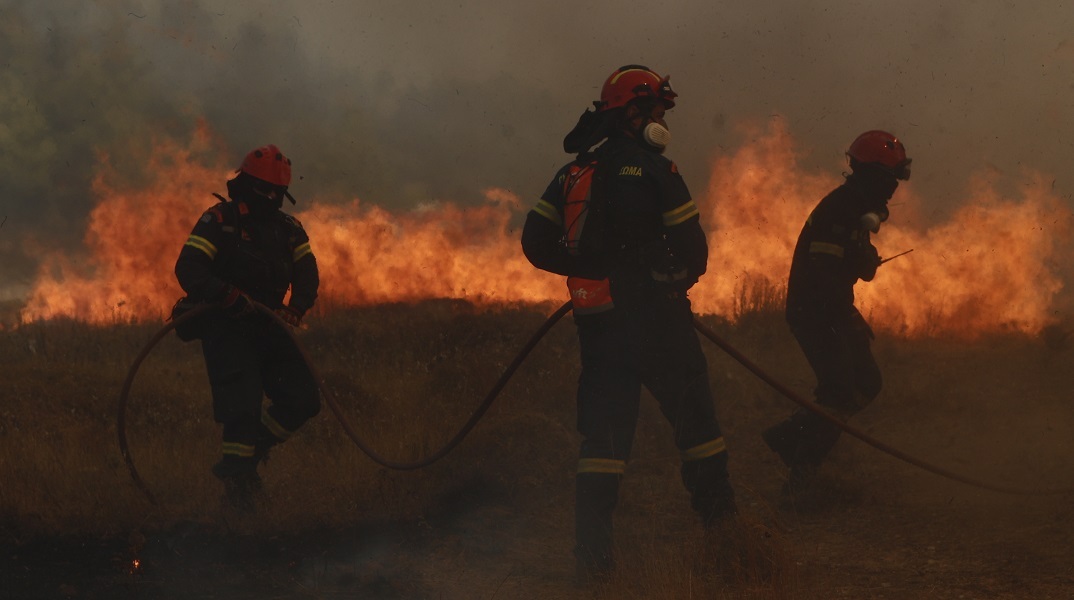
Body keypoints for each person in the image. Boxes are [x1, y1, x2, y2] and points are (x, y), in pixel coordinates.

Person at [521, 65, 736, 582]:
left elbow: (534, 242)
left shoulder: (574, 173)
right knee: (698, 428)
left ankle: (592, 565)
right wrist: (665, 276)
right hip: (659, 325)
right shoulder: (658, 170)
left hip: (599, 326)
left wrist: (590, 267)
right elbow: (694, 252)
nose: (663, 119)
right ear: (635, 112)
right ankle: (727, 541)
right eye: (658, 109)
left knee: (604, 443)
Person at [762, 130, 911, 494]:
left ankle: (790, 437)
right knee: (840, 390)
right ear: (873, 175)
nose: (894, 188)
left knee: (866, 383)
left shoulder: (857, 208)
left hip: (832, 310)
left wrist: (863, 262)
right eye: (890, 178)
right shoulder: (841, 211)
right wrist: (848, 319)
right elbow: (825, 276)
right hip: (815, 313)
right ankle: (801, 464)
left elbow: (849, 265)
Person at [173, 144, 320, 512]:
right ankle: (238, 489)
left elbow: (307, 274)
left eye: (276, 193)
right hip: (228, 327)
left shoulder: (289, 230)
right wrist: (224, 295)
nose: (270, 198)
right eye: (264, 190)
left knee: (303, 398)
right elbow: (189, 268)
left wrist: (297, 308)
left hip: (270, 327)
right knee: (241, 408)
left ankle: (253, 452)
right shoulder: (220, 220)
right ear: (246, 183)